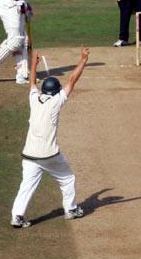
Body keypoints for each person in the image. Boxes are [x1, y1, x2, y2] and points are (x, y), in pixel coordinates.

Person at [10, 47, 90, 228]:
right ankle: (70, 210)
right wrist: (83, 60)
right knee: (68, 178)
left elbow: (31, 83)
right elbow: (72, 80)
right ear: (56, 92)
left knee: (27, 186)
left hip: (29, 155)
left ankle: (17, 216)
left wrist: (33, 65)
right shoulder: (56, 102)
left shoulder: (34, 99)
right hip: (49, 156)